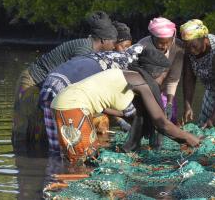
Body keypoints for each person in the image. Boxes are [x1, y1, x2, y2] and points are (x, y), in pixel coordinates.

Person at [50, 48, 200, 162]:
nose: (164, 81)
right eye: (164, 76)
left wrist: (130, 149)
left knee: (89, 156)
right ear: (155, 73)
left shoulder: (132, 77)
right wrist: (188, 138)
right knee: (81, 159)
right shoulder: (141, 82)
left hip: (70, 102)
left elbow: (139, 116)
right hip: (71, 105)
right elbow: (161, 123)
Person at [12, 11, 118, 145]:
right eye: (113, 43)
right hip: (33, 82)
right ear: (104, 40)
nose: (114, 47)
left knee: (42, 130)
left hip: (46, 87)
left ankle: (36, 161)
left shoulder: (91, 51)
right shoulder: (85, 51)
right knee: (24, 131)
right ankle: (23, 161)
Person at [40, 44, 143, 152]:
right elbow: (129, 112)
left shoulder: (110, 56)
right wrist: (133, 126)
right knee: (78, 149)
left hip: (49, 84)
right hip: (66, 93)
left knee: (56, 146)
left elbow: (100, 101)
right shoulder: (122, 69)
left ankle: (52, 165)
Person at [138, 17, 184, 123]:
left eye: (168, 42)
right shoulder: (142, 47)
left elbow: (173, 78)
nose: (164, 46)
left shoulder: (178, 47)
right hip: (144, 90)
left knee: (169, 119)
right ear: (152, 37)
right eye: (160, 43)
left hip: (165, 90)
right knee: (147, 120)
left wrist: (169, 103)